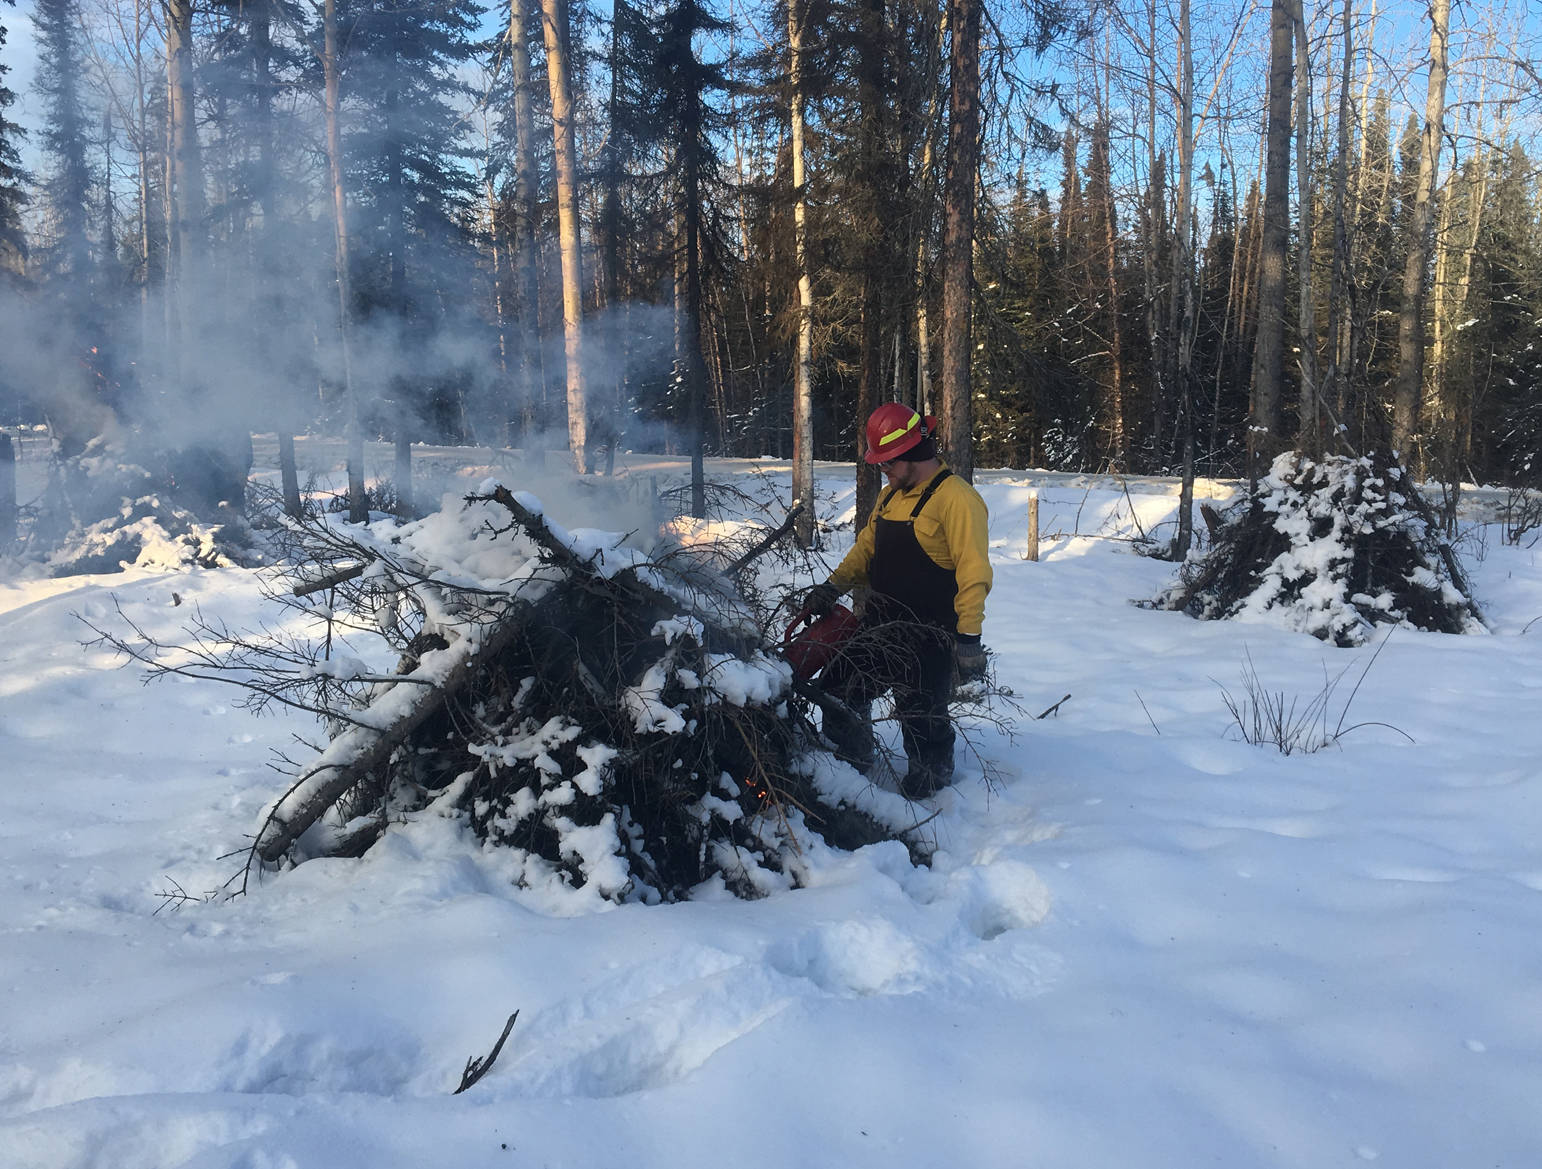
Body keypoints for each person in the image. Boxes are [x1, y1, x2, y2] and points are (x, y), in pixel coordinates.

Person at [802, 402, 992, 799]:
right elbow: (865, 550)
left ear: (910, 454)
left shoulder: (957, 499)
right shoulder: (891, 497)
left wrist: (969, 637)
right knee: (839, 688)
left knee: (921, 719)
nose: (883, 473)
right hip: (881, 626)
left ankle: (933, 792)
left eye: (886, 464)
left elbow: (973, 573)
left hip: (929, 635)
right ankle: (849, 774)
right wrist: (832, 587)